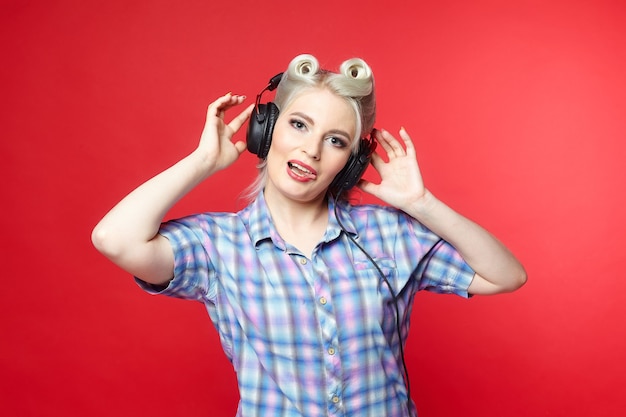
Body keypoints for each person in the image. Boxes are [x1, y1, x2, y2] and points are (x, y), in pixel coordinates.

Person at [92, 54, 527, 417]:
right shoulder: (219, 245)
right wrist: (203, 161)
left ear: (352, 163)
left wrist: (421, 204)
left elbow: (506, 275)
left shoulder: (388, 235)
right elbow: (114, 238)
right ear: (267, 130)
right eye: (299, 125)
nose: (311, 150)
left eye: (335, 140)